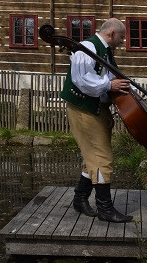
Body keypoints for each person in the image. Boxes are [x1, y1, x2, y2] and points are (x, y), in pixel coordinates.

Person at [61, 18, 133, 223]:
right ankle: (105, 209)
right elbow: (82, 80)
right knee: (102, 158)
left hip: (97, 108)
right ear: (111, 33)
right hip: (84, 108)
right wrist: (109, 86)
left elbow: (112, 78)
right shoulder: (87, 48)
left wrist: (131, 91)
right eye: (121, 37)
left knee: (93, 157)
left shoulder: (104, 52)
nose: (122, 41)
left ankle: (80, 199)